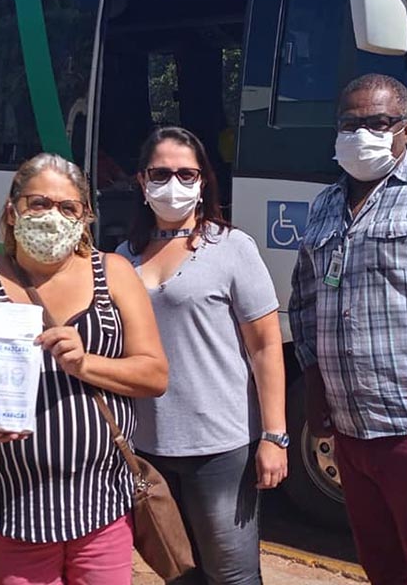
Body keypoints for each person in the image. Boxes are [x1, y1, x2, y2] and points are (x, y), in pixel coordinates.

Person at [0, 152, 168, 585]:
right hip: (16, 506)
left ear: (85, 218)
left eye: (67, 207)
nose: (52, 216)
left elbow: (154, 375)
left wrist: (85, 363)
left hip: (102, 503)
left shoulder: (113, 274)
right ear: (12, 210)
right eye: (38, 203)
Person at [289, 73, 407, 585]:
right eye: (350, 124)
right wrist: (314, 391)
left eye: (377, 122)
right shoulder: (326, 204)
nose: (361, 133)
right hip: (352, 437)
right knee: (381, 567)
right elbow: (305, 303)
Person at [116, 126, 288, 585]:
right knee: (178, 570)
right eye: (161, 173)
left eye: (186, 173)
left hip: (220, 448)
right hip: (147, 444)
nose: (173, 184)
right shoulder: (123, 257)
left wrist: (275, 436)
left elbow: (266, 346)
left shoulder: (231, 248)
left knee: (232, 575)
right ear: (141, 180)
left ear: (203, 181)